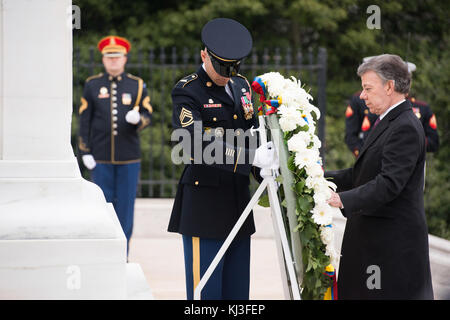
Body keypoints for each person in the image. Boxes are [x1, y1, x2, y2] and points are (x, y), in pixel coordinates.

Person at [167, 18, 278, 300]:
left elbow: (251, 131)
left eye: (233, 67)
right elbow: (193, 143)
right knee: (207, 295)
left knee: (237, 294)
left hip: (238, 204)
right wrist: (251, 156)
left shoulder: (240, 86)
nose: (226, 74)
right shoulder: (188, 90)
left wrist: (265, 160)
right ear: (204, 55)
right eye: (220, 66)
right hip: (204, 207)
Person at [326, 54, 434, 300]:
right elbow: (361, 173)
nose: (362, 95)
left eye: (367, 88)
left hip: (391, 249)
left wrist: (340, 199)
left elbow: (388, 184)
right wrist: (319, 177)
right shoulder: (389, 120)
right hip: (375, 242)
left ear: (389, 86)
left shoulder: (404, 125)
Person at [78, 35, 153, 254]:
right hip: (100, 159)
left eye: (117, 57)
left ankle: (122, 254)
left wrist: (139, 120)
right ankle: (102, 254)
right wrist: (84, 151)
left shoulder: (137, 85)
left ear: (124, 58)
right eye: (109, 57)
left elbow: (148, 114)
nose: (113, 61)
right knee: (102, 208)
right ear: (103, 60)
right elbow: (85, 120)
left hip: (129, 158)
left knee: (126, 210)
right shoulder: (92, 85)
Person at [345, 58, 439, 158]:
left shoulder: (420, 109)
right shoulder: (374, 111)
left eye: (406, 80)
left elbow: (433, 142)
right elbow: (361, 137)